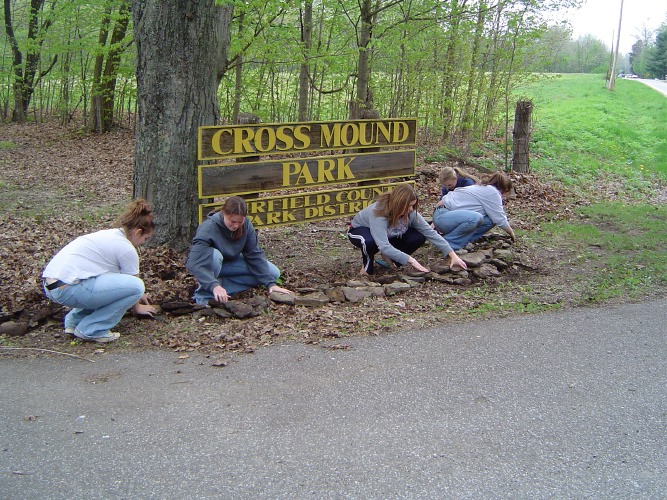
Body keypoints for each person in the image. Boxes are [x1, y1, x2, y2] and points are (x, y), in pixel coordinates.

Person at [41, 199, 158, 343]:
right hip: (68, 289)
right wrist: (138, 305)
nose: (144, 243)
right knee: (137, 287)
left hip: (52, 285)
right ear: (138, 232)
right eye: (145, 238)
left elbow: (114, 284)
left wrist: (138, 295)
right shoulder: (126, 248)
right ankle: (91, 329)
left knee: (112, 287)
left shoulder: (111, 235)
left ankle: (74, 322)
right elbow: (134, 283)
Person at [186, 196, 292, 304]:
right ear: (224, 214)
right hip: (209, 266)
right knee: (215, 255)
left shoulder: (246, 225)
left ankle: (222, 288)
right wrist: (213, 285)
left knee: (273, 273)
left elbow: (254, 254)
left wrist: (271, 284)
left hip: (229, 265)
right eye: (232, 221)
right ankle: (204, 297)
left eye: (240, 222)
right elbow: (194, 262)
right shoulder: (208, 228)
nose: (236, 226)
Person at [347, 183, 468, 275]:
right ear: (399, 204)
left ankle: (392, 259)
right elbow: (383, 245)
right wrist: (411, 260)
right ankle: (366, 268)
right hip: (360, 231)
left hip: (390, 234)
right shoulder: (379, 213)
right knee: (369, 242)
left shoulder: (410, 213)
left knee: (418, 236)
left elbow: (429, 232)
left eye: (413, 206)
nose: (411, 209)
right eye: (409, 206)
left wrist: (452, 255)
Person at [432, 172, 516, 251]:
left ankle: (462, 241)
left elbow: (496, 217)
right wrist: (511, 233)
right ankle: (448, 244)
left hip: (448, 218)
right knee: (475, 218)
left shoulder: (483, 188)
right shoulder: (492, 192)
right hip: (443, 215)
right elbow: (500, 219)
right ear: (505, 189)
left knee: (490, 220)